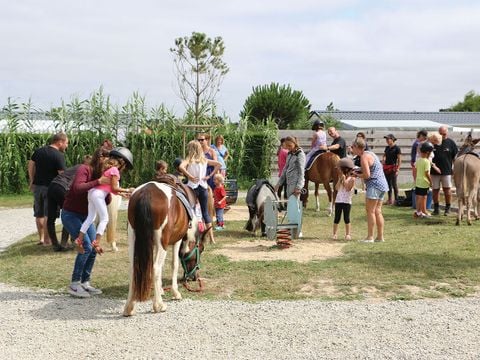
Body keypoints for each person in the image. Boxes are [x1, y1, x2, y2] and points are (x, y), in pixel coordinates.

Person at [62, 147, 114, 297]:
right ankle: (74, 284)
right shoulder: (84, 169)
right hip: (71, 214)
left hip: (86, 217)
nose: (109, 166)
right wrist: (98, 181)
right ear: (100, 159)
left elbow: (107, 201)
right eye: (107, 162)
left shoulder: (102, 175)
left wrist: (107, 187)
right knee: (85, 245)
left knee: (92, 246)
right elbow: (78, 188)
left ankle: (85, 282)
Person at [74, 151, 134, 255]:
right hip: (98, 195)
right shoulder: (115, 170)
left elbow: (111, 189)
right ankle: (96, 242)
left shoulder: (106, 169)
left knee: (90, 218)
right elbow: (115, 187)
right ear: (122, 164)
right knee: (105, 219)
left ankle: (79, 239)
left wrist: (122, 194)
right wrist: (128, 190)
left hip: (92, 193)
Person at [28, 132, 69, 246]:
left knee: (39, 214)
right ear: (60, 142)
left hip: (38, 187)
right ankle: (47, 240)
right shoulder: (58, 155)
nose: (66, 146)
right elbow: (62, 174)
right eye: (66, 143)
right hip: (51, 189)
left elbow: (31, 164)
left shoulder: (39, 151)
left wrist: (32, 180)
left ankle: (41, 239)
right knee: (48, 215)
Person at [179, 140, 221, 244]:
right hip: (203, 186)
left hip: (192, 187)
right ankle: (212, 239)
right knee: (205, 213)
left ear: (191, 149)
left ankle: (191, 235)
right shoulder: (204, 160)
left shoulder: (189, 159)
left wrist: (189, 176)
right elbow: (219, 164)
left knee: (190, 211)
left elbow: (181, 167)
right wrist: (209, 176)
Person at [46, 155, 92, 252]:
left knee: (51, 217)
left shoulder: (76, 167)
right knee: (69, 213)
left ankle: (55, 245)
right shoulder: (84, 169)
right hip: (62, 187)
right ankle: (64, 243)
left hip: (52, 185)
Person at [351, 137, 389, 243]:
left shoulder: (364, 157)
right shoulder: (370, 154)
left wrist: (356, 175)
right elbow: (369, 169)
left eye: (353, 147)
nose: (351, 149)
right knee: (377, 211)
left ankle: (370, 237)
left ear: (358, 147)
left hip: (374, 185)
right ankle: (380, 237)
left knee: (370, 211)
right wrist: (357, 170)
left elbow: (367, 175)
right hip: (382, 185)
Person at [431, 126, 458, 216]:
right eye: (440, 134)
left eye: (444, 134)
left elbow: (455, 158)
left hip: (447, 171)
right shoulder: (433, 142)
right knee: (435, 190)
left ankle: (447, 208)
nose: (442, 136)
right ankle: (436, 208)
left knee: (447, 190)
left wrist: (455, 169)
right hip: (434, 172)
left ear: (447, 133)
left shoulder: (451, 143)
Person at [332, 157, 356, 241]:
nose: (338, 171)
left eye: (340, 169)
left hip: (347, 201)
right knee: (337, 218)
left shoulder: (352, 179)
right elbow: (336, 188)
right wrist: (339, 180)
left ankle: (348, 234)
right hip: (339, 200)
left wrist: (344, 180)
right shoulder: (340, 177)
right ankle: (334, 233)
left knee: (346, 218)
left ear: (344, 169)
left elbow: (348, 188)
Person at [414, 142, 434, 218]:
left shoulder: (418, 160)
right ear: (428, 152)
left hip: (418, 181)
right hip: (424, 182)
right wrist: (431, 182)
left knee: (419, 197)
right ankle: (420, 212)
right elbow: (427, 173)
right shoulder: (427, 162)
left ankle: (419, 211)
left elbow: (415, 170)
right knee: (423, 197)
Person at [382, 134, 402, 205]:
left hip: (393, 168)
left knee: (394, 184)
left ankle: (396, 200)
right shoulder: (387, 148)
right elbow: (384, 155)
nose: (387, 140)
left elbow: (399, 160)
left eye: (388, 139)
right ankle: (389, 200)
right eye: (386, 139)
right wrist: (383, 160)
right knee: (388, 184)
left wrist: (398, 169)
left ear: (392, 139)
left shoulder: (397, 148)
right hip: (386, 168)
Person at [276, 138, 289, 203]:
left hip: (281, 173)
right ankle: (285, 204)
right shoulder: (285, 152)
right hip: (286, 173)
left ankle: (278, 202)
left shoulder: (280, 150)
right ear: (283, 143)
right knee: (286, 190)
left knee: (280, 189)